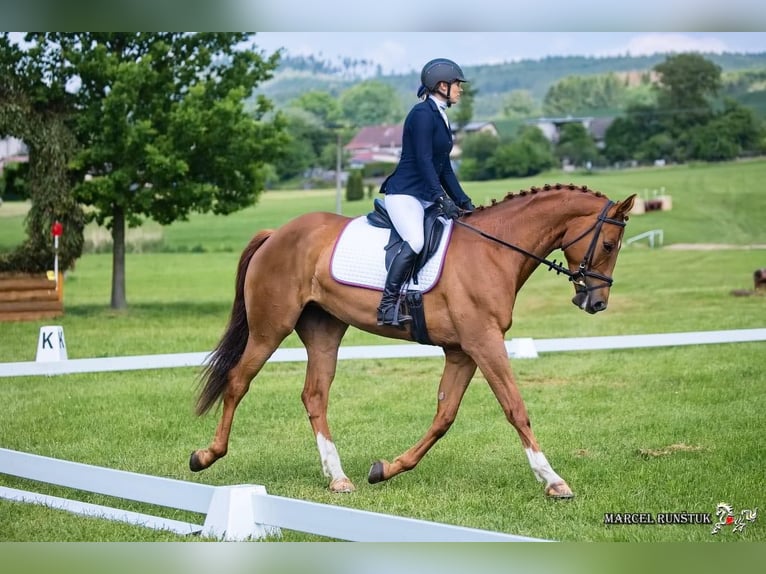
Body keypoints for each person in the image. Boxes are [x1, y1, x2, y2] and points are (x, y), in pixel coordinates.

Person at [376, 57, 475, 327]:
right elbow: (422, 160)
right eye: (457, 84)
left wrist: (464, 202)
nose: (460, 89)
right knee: (416, 241)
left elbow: (444, 168)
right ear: (441, 85)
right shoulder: (421, 114)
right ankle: (387, 306)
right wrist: (441, 198)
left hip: (424, 194)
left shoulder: (439, 114)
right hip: (405, 193)